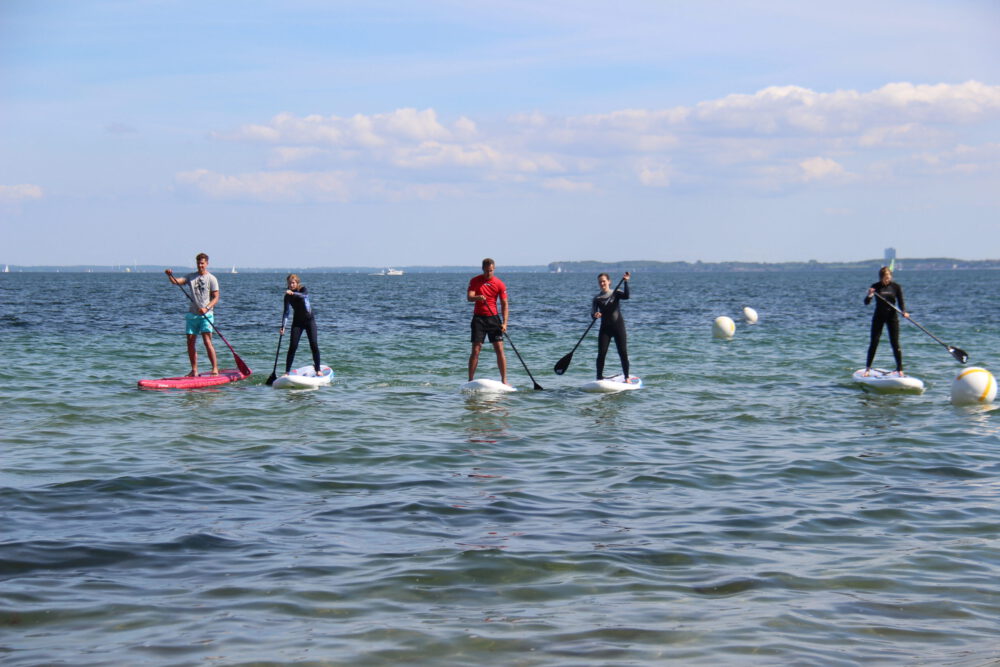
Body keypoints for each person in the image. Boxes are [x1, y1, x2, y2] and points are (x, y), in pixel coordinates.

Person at [165, 252, 219, 376]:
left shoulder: (212, 278)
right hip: (192, 315)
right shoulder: (191, 277)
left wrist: (206, 308)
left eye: (202, 263)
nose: (200, 265)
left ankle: (215, 368)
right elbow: (176, 281)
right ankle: (194, 370)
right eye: (198, 263)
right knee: (190, 342)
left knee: (207, 341)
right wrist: (170, 275)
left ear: (207, 264)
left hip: (206, 315)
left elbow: (216, 297)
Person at [467, 258, 508, 385]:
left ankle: (504, 380)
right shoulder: (475, 281)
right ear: (482, 269)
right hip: (478, 318)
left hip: (494, 319)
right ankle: (470, 380)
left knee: (499, 348)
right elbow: (469, 297)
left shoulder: (499, 283)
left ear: (494, 269)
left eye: (490, 271)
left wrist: (505, 323)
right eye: (486, 271)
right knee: (476, 349)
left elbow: (504, 304)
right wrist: (477, 297)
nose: (488, 273)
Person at [863, 266, 910, 376]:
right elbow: (866, 302)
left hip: (892, 317)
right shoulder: (875, 287)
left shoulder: (896, 287)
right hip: (879, 316)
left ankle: (900, 369)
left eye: (889, 278)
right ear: (881, 278)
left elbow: (901, 301)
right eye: (885, 278)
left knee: (895, 343)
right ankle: (867, 368)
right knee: (874, 342)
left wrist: (904, 311)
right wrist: (870, 294)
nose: (887, 280)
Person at [280, 274, 321, 376]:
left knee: (314, 344)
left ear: (297, 283)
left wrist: (293, 293)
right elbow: (286, 312)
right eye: (289, 283)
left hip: (309, 320)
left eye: (293, 283)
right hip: (297, 322)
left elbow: (304, 295)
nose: (291, 285)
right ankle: (287, 372)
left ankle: (318, 369)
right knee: (293, 346)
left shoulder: (303, 289)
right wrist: (283, 327)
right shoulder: (287, 296)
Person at [593, 271, 631, 380]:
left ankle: (627, 377)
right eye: (600, 282)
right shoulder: (597, 299)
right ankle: (599, 377)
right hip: (605, 329)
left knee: (623, 352)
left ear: (609, 282)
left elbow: (627, 296)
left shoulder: (616, 293)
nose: (602, 284)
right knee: (601, 354)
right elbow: (593, 314)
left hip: (618, 327)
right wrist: (596, 315)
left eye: (604, 281)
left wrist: (626, 282)